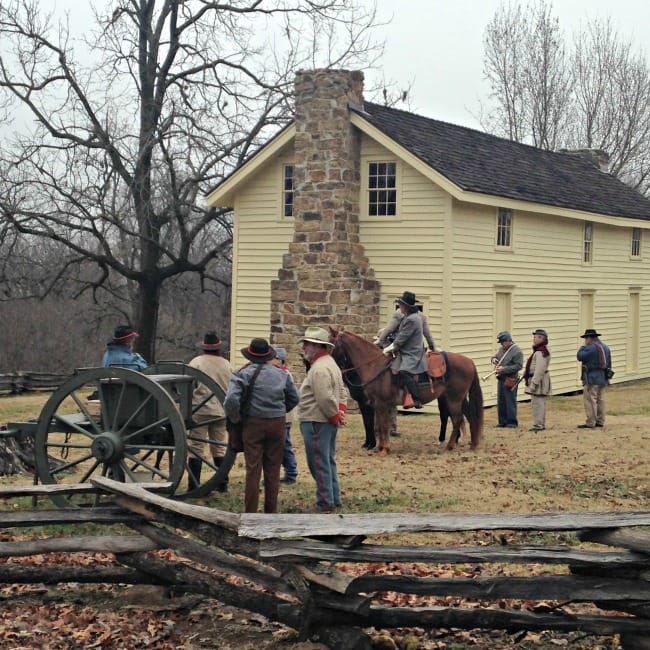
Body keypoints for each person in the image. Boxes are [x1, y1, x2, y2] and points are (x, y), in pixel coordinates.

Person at [224, 338, 299, 513]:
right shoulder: (281, 374)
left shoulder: (242, 374)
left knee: (253, 470)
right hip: (277, 424)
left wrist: (236, 419)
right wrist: (280, 411)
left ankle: (250, 513)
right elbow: (294, 398)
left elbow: (230, 401)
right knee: (273, 470)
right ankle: (270, 513)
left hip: (253, 423)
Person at [297, 326, 349, 513]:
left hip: (317, 421)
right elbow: (341, 391)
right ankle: (333, 498)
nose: (304, 347)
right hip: (325, 420)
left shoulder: (319, 368)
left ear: (318, 346)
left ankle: (325, 503)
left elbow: (325, 397)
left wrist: (335, 415)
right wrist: (340, 411)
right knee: (327, 461)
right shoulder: (330, 363)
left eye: (307, 344)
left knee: (318, 463)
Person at [187, 331, 233, 492]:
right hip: (220, 410)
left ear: (204, 347)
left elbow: (188, 387)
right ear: (218, 348)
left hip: (200, 410)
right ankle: (222, 484)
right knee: (219, 447)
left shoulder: (196, 362)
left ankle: (194, 485)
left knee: (196, 448)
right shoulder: (226, 364)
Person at [382, 291, 428, 409]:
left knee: (404, 371)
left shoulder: (412, 319)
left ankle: (416, 399)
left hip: (412, 352)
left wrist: (388, 348)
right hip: (405, 350)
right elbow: (401, 335)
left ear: (406, 307)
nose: (399, 307)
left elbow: (401, 339)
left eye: (401, 305)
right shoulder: (409, 317)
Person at [271, 347, 299, 485]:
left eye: (274, 358)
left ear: (280, 360)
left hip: (284, 416)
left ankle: (291, 473)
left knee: (284, 445)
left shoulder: (285, 374)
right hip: (279, 415)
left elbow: (292, 396)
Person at [576, 328, 612, 429]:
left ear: (589, 338)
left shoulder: (589, 348)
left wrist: (583, 347)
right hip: (603, 376)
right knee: (601, 400)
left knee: (590, 400)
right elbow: (609, 363)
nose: (585, 341)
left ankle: (591, 422)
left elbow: (579, 356)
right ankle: (600, 421)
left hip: (592, 377)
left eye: (586, 338)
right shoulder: (605, 347)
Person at [493, 331, 523, 428]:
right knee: (501, 401)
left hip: (510, 379)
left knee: (510, 401)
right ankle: (502, 421)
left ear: (509, 341)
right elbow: (496, 356)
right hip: (501, 378)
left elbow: (518, 366)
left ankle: (512, 422)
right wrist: (493, 359)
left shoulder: (517, 351)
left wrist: (504, 369)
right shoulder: (502, 349)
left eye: (503, 342)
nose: (502, 344)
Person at [523, 329, 552, 432]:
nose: (534, 339)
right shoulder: (540, 350)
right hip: (538, 379)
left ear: (541, 338)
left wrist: (534, 383)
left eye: (536, 337)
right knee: (538, 403)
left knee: (538, 403)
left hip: (539, 380)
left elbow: (539, 369)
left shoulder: (541, 352)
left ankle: (538, 425)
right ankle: (540, 424)